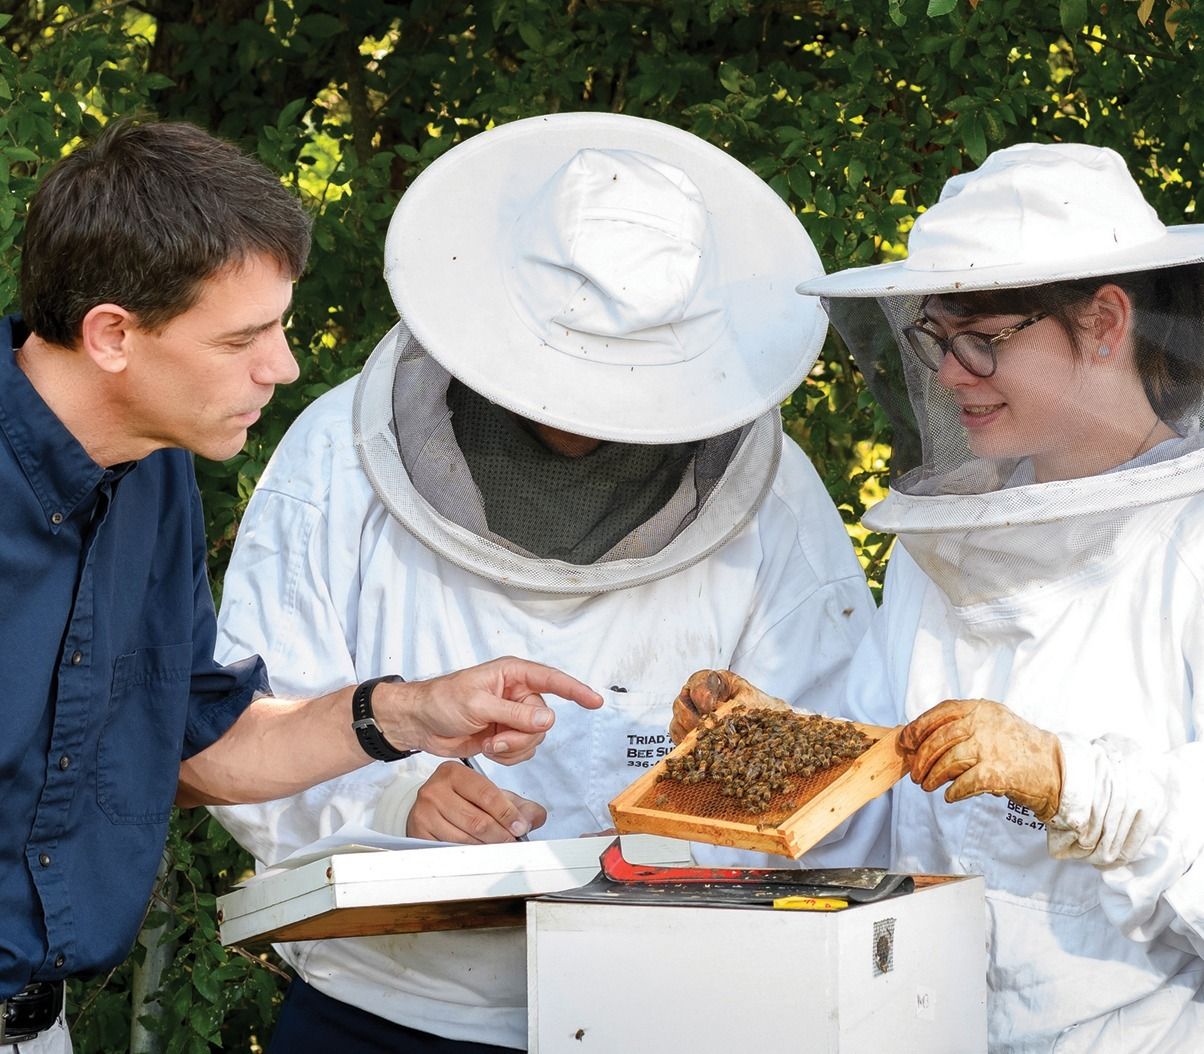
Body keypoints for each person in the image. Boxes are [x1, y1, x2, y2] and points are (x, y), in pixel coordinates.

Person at [210, 111, 875, 1052]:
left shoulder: (773, 496)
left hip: (668, 1005)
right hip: (384, 1006)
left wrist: (737, 771)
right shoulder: (340, 453)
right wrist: (389, 804)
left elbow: (838, 767)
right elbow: (237, 732)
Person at [0, 118, 603, 1053]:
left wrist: (410, 713)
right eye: (242, 337)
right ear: (112, 335)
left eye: (278, 326)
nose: (280, 367)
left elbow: (196, 749)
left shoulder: (151, 470)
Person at [680, 142, 1204, 1051]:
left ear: (1107, 322)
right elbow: (892, 800)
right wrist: (777, 745)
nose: (949, 373)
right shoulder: (941, 553)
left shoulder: (1188, 542)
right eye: (934, 339)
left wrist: (1065, 778)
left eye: (982, 340)